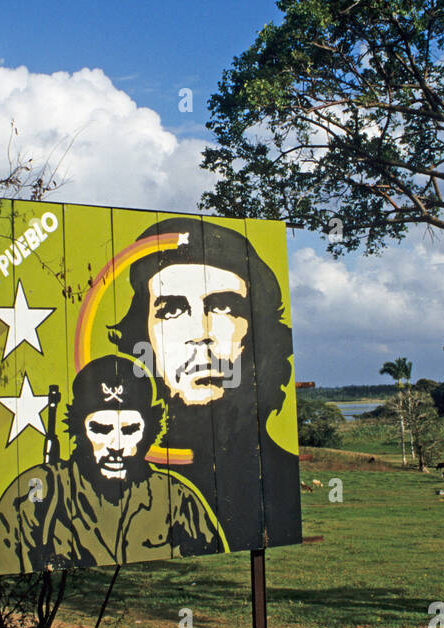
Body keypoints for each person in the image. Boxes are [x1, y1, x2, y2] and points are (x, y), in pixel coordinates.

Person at [108, 217, 301, 549]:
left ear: (259, 333)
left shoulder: (280, 480)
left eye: (224, 307)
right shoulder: (110, 486)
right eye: (171, 310)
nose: (201, 335)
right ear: (141, 336)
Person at [0, 355, 222, 574]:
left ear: (149, 431)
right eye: (101, 429)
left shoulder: (177, 500)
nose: (116, 445)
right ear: (79, 431)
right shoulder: (37, 496)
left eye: (130, 430)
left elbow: (211, 578)